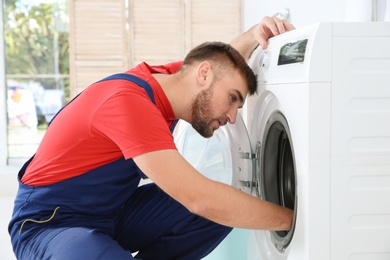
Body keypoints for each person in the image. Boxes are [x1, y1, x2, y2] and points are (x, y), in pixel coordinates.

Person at [9, 16, 295, 260]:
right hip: (48, 223)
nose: (233, 116)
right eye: (232, 99)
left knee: (225, 206)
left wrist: (255, 33)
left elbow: (222, 62)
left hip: (113, 211)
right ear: (203, 75)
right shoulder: (129, 103)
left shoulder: (171, 81)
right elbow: (199, 198)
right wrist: (296, 220)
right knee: (209, 202)